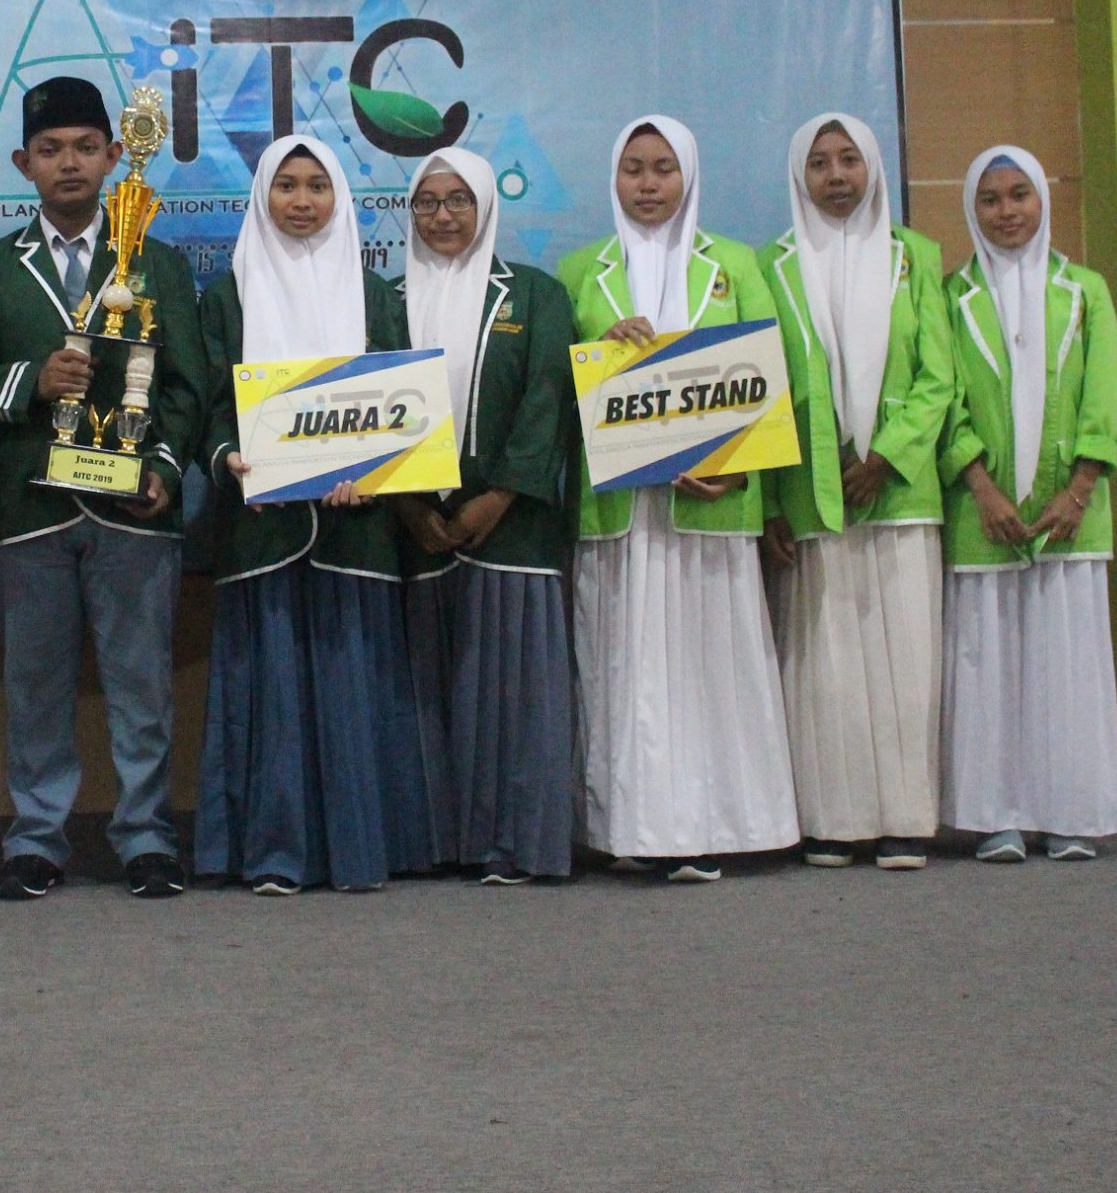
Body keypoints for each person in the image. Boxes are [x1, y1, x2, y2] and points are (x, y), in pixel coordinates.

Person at [0, 76, 205, 901]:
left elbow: (186, 385)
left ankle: (146, 836)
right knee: (35, 682)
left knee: (141, 685)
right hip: (30, 506)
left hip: (133, 506)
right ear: (23, 163)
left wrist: (161, 470)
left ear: (115, 156)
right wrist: (33, 380)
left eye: (86, 147)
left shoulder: (156, 260)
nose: (69, 163)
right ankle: (37, 836)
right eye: (50, 150)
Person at [555, 116, 799, 884]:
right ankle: (631, 827)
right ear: (614, 177)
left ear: (688, 174)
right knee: (625, 671)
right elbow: (559, 396)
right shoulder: (578, 272)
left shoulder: (734, 264)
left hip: (710, 507)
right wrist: (604, 356)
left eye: (664, 168)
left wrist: (738, 468)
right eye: (634, 169)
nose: (649, 184)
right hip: (623, 515)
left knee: (708, 669)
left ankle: (723, 824)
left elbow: (769, 374)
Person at [197, 134, 438, 895]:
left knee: (351, 686)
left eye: (317, 187)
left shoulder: (376, 295)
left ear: (341, 199)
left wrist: (376, 473)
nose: (301, 202)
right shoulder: (227, 293)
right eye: (286, 186)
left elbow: (405, 408)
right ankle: (273, 852)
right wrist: (228, 454)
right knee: (270, 690)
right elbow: (207, 404)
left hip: (355, 527)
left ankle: (360, 850)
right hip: (263, 525)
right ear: (261, 196)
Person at [759, 115, 957, 870]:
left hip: (899, 492)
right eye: (819, 162)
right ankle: (834, 821)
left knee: (907, 655)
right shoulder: (771, 265)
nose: (836, 175)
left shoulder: (916, 257)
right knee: (825, 665)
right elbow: (763, 391)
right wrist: (775, 500)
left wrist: (889, 455)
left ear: (873, 166)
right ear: (799, 175)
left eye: (848, 159)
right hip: (813, 491)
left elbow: (938, 377)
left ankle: (906, 818)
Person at [393, 148, 579, 886]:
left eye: (458, 200)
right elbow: (371, 411)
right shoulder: (386, 297)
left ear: (485, 208)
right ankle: (436, 841)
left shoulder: (534, 294)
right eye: (428, 203)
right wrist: (409, 507)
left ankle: (515, 844)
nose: (443, 216)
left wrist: (497, 496)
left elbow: (547, 399)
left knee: (512, 699)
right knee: (428, 696)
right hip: (417, 530)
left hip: (514, 528)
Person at [939, 146, 1117, 862]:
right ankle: (998, 815)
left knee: (1067, 664)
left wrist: (1078, 489)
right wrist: (981, 488)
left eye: (1020, 194)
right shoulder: (954, 296)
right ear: (972, 210)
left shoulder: (1084, 291)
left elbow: (1103, 395)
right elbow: (948, 404)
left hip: (1069, 517)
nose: (1008, 210)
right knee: (990, 665)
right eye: (990, 199)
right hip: (982, 516)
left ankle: (1072, 810)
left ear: (1042, 200)